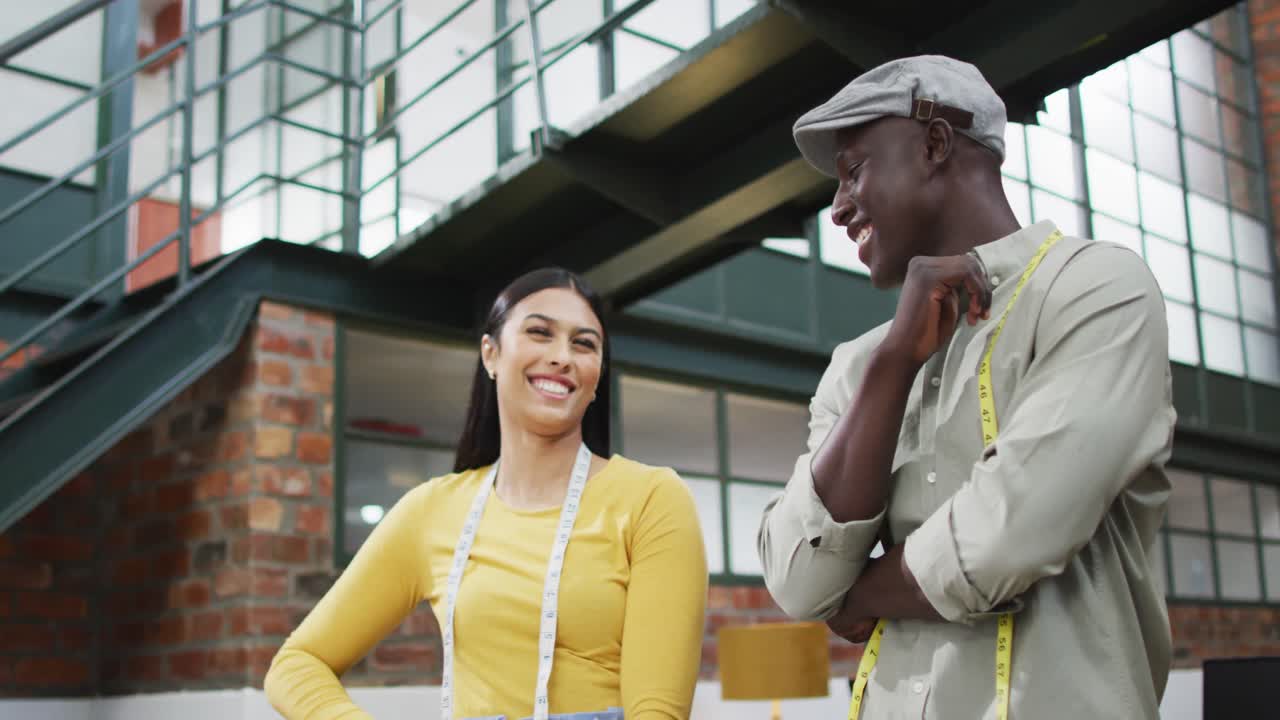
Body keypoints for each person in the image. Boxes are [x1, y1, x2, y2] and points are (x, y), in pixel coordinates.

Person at [757, 55, 1175, 719]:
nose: (837, 207)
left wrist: (858, 594)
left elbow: (1011, 533)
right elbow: (798, 582)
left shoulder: (1095, 289)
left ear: (934, 144)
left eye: (854, 170)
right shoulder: (861, 365)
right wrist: (894, 365)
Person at [265, 268, 709, 720]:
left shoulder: (651, 500)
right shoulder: (432, 511)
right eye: (540, 332)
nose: (562, 356)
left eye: (584, 344)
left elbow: (657, 713)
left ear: (597, 377)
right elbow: (297, 664)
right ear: (491, 354)